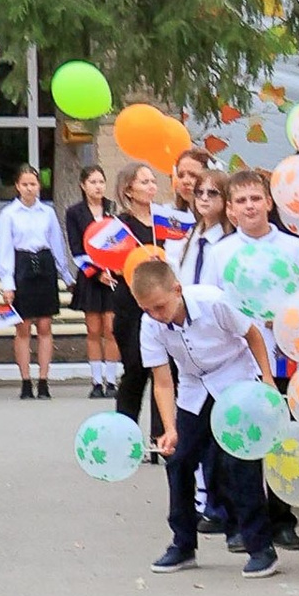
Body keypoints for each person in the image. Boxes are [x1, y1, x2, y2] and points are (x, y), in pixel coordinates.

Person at [134, 253, 280, 577]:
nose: (156, 315)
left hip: (234, 379)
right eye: (147, 309)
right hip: (194, 389)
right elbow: (161, 381)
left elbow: (252, 334)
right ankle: (183, 543)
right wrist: (169, 428)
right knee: (180, 460)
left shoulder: (212, 302)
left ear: (176, 289)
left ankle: (260, 547)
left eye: (160, 306)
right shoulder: (150, 324)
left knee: (239, 462)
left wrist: (267, 379)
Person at [0, 165, 73, 396]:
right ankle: (26, 381)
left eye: (33, 184)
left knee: (45, 325)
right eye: (25, 184)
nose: (29, 188)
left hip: (44, 266)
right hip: (22, 266)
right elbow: (4, 249)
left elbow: (56, 244)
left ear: (39, 186)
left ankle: (44, 380)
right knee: (23, 327)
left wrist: (65, 274)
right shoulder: (9, 214)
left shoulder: (47, 212)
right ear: (17, 186)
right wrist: (7, 283)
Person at [107, 164, 165, 427]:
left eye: (153, 181)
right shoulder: (119, 225)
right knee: (135, 371)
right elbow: (108, 260)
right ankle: (125, 432)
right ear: (128, 188)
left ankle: (161, 436)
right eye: (144, 182)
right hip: (131, 304)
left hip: (162, 303)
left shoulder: (164, 220)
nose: (151, 186)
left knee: (163, 371)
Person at [67, 166, 125, 396]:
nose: (98, 186)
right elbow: (76, 249)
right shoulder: (75, 213)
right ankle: (96, 381)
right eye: (93, 182)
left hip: (113, 275)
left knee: (111, 329)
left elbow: (121, 241)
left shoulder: (113, 209)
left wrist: (113, 268)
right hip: (90, 276)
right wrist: (96, 271)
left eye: (101, 181)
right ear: (83, 185)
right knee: (93, 329)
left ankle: (112, 381)